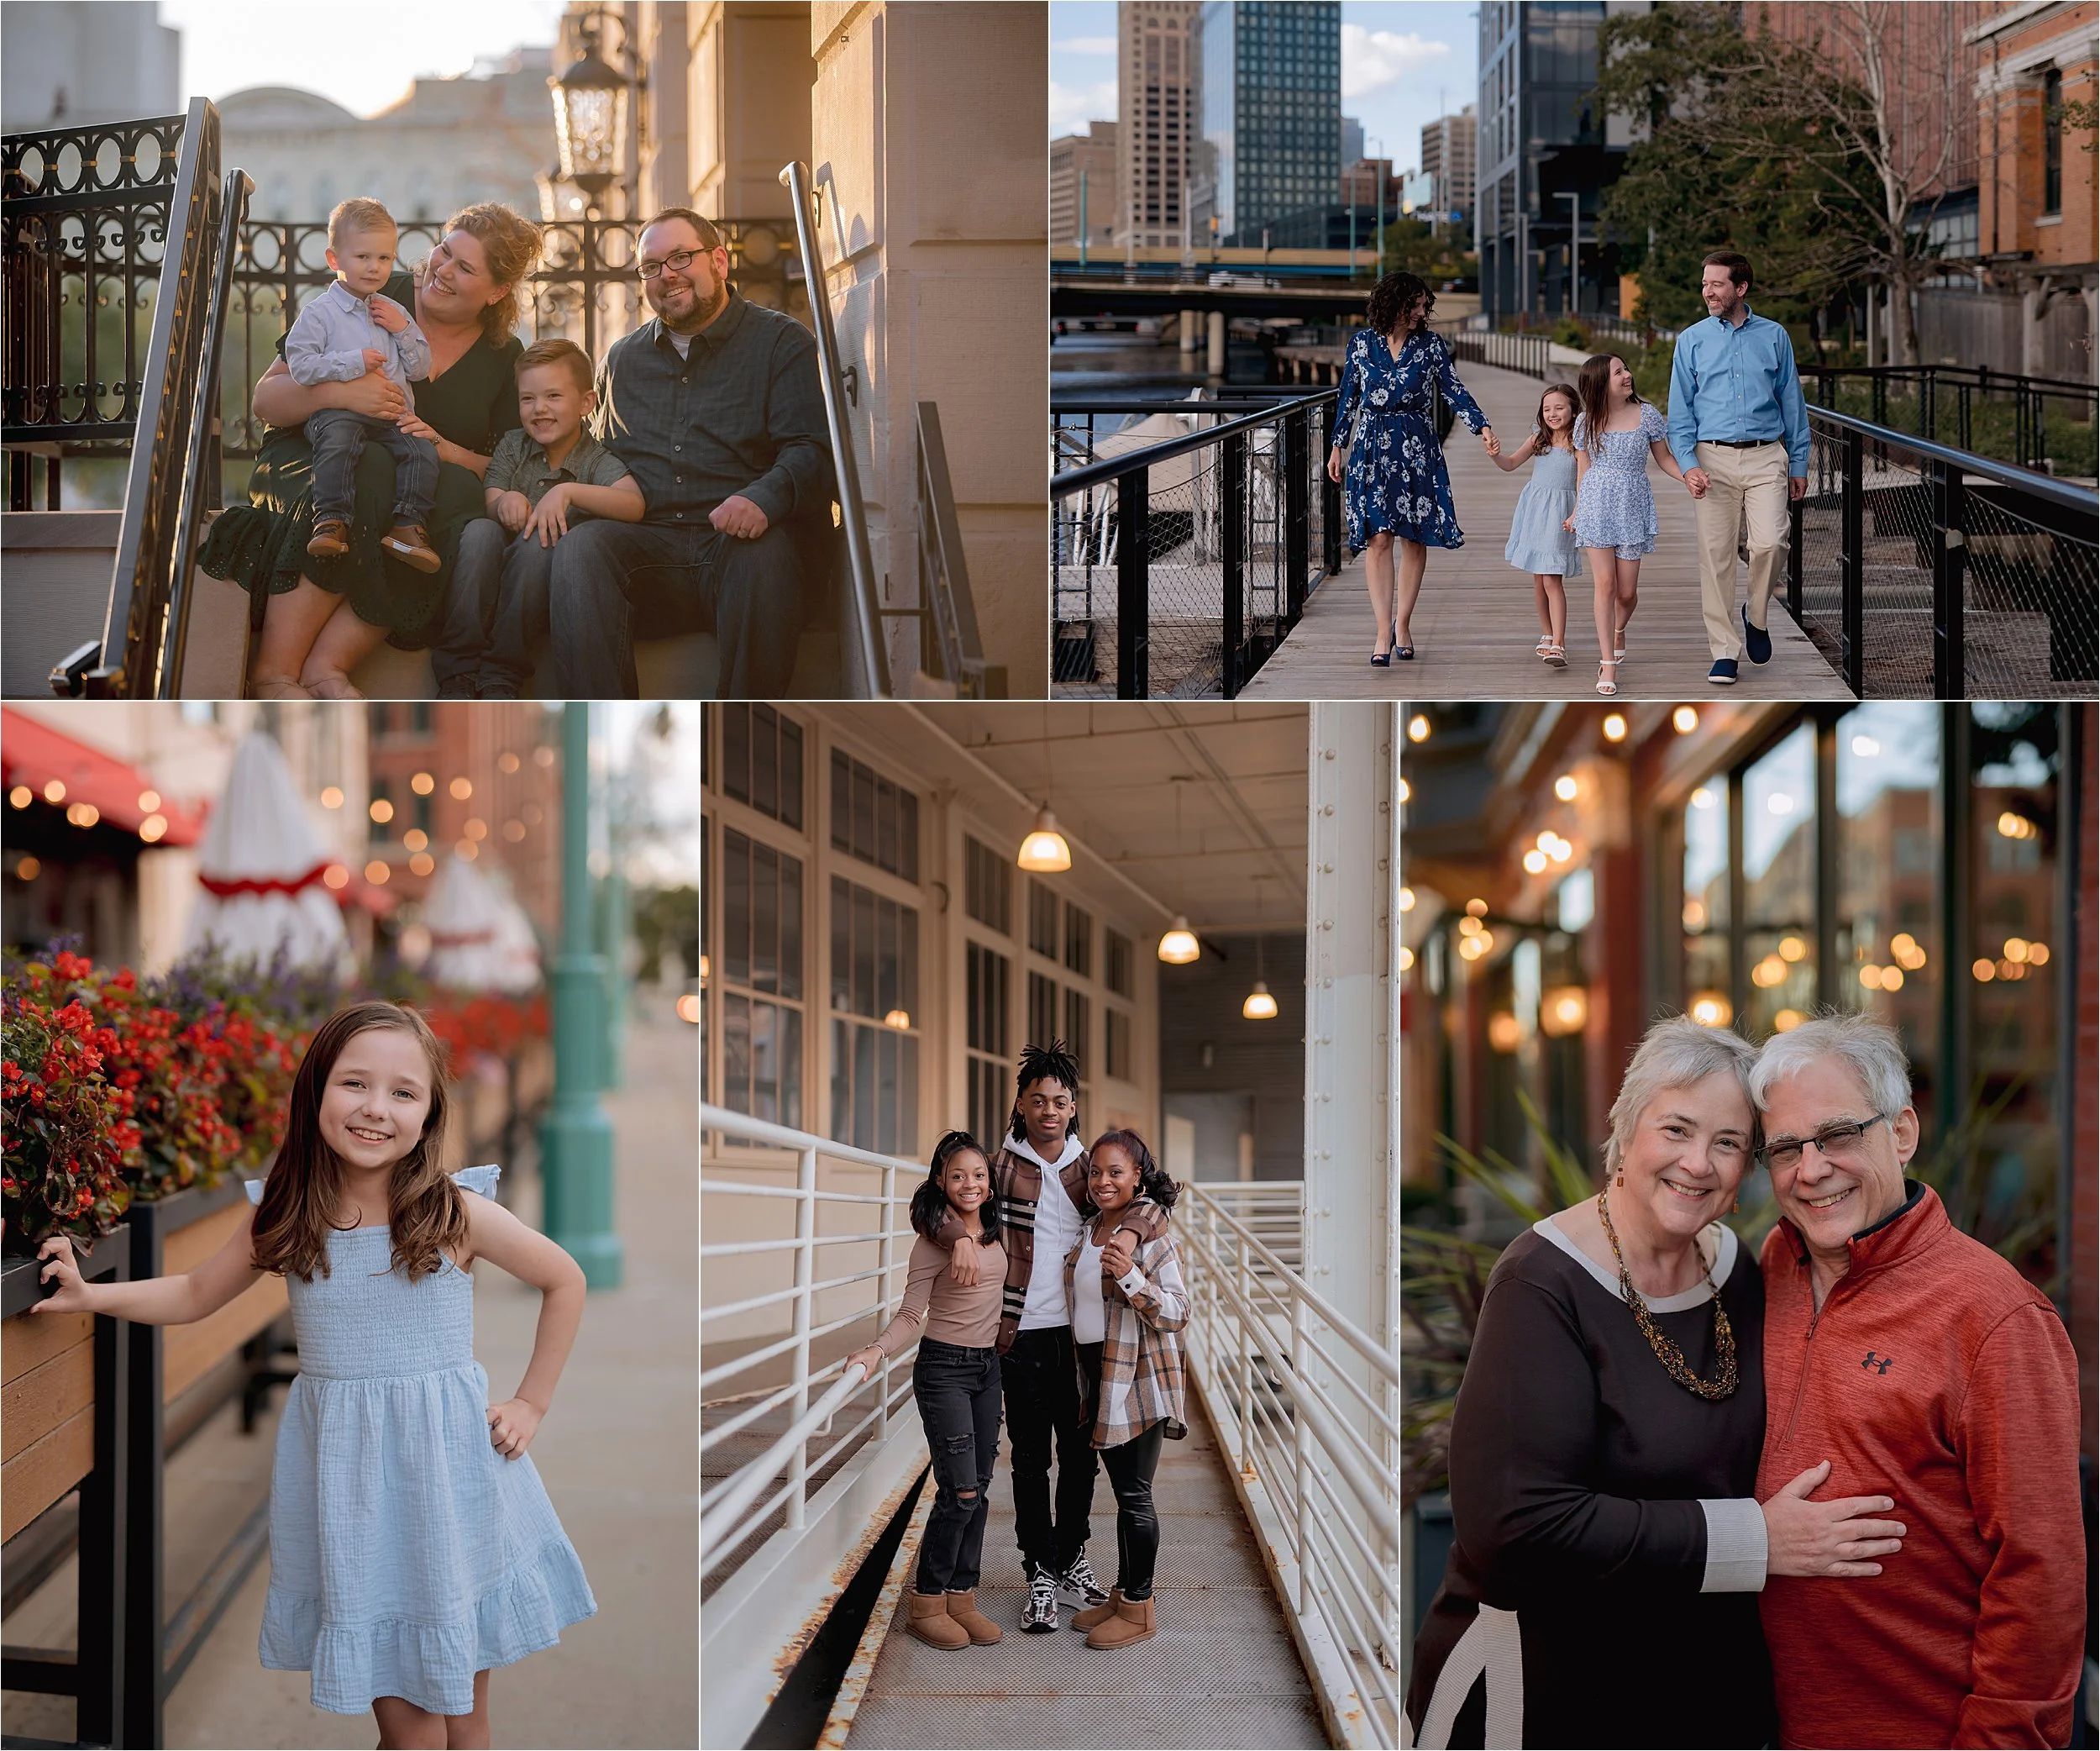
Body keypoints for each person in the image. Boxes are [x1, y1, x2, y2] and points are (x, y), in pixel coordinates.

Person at [34, 1002, 595, 1748]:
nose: (375, 1108)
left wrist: (531, 1401)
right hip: (362, 1501)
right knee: (414, 1732)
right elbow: (197, 1292)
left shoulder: (452, 1212)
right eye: (354, 1083)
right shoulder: (289, 1212)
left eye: (403, 1093)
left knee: (467, 1721)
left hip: (455, 1490)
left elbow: (566, 1280)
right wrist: (89, 1294)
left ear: (429, 1117)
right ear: (314, 1093)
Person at [1407, 1017, 1909, 1750]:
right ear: (1625, 1132)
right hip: (1547, 1698)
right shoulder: (1541, 1281)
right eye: (1676, 1129)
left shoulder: (1740, 1268)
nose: (1698, 1163)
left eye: (1730, 1142)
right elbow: (1513, 1529)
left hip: (1694, 1697)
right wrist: (1756, 1540)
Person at [1750, 1012, 2084, 1749]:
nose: (1811, 1170)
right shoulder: (1764, 1273)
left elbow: (2040, 1577)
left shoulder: (1993, 1315)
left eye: (1838, 1135)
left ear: (1901, 1133)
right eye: (1784, 1148)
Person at [206, 204, 543, 699]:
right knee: (372, 470)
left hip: (414, 474)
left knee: (452, 501)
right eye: (444, 252)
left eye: (465, 268)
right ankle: (275, 671)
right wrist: (338, 394)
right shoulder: (372, 289)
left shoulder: (503, 357)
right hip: (315, 456)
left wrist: (446, 449)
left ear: (497, 292)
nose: (442, 271)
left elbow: (508, 467)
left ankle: (327, 667)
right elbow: (266, 400)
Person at [912, 1040, 1165, 1633]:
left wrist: (1127, 1236)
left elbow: (1153, 1197)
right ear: (1021, 1106)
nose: (1049, 1110)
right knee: (1028, 1461)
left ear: (1073, 1107)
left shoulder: (1091, 1168)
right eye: (1037, 1100)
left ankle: (1071, 1556)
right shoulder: (998, 1168)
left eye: (1059, 1101)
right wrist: (962, 1239)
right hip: (1019, 1337)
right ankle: (1040, 1573)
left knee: (1081, 1459)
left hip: (1081, 1339)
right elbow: (929, 1201)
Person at [548, 208, 832, 699]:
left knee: (762, 553)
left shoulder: (780, 342)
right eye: (652, 267)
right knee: (582, 548)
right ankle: (604, 734)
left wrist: (763, 499)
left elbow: (813, 450)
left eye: (681, 258)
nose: (667, 275)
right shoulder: (623, 359)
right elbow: (594, 453)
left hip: (744, 555)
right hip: (652, 559)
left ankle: (742, 734)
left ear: (719, 261)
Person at [843, 1131, 1009, 1652]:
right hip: (945, 1372)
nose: (970, 1184)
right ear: (941, 1180)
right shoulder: (933, 1239)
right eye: (958, 1175)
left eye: (978, 1175)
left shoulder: (997, 1229)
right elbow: (913, 1313)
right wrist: (875, 1351)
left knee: (979, 1489)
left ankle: (963, 1597)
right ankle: (927, 1602)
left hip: (988, 1370)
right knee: (959, 1491)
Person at [431, 339, 645, 699]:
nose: (539, 409)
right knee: (481, 531)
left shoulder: (595, 459)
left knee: (541, 542)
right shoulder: (513, 445)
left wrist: (570, 492)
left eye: (554, 397)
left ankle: (501, 673)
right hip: (490, 572)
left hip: (536, 591)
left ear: (586, 403)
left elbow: (633, 504)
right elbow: (490, 498)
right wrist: (504, 502)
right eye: (528, 399)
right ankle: (459, 671)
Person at [1325, 270, 1499, 665]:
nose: (1422, 311)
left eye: (1425, 304)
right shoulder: (1361, 345)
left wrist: (1482, 427)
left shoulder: (1430, 345)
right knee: (1379, 539)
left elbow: (1454, 389)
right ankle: (1382, 630)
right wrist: (1337, 446)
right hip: (1371, 446)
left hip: (1417, 444)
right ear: (1394, 304)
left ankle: (1403, 623)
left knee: (1414, 538)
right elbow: (1347, 397)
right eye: (1415, 304)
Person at [1062, 1129, 1189, 1651]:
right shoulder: (1089, 1229)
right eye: (1096, 1172)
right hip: (1097, 1377)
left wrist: (1134, 1278)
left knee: (1135, 1495)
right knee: (1120, 1492)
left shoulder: (1154, 1239)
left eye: (1116, 1172)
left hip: (1139, 1377)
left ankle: (1139, 1607)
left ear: (1138, 1177)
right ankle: (1121, 1595)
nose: (1103, 1181)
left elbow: (1179, 1312)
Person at [1664, 251, 1811, 686]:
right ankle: (1724, 651)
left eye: (1717, 285)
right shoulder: (1691, 340)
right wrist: (1688, 465)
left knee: (1770, 542)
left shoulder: (1774, 336)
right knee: (1717, 559)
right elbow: (1680, 413)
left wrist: (1799, 461)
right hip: (1711, 459)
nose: (1707, 292)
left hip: (1767, 456)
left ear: (1740, 289)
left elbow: (1793, 404)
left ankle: (1757, 613)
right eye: (1705, 284)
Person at [283, 197, 441, 576]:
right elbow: (301, 368)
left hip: (390, 414)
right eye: (363, 257)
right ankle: (332, 521)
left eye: (385, 258)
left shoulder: (392, 311)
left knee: (423, 452)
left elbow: (420, 370)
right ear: (334, 259)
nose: (375, 267)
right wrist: (352, 362)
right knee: (338, 442)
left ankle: (407, 526)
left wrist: (402, 330)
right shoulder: (319, 313)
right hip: (339, 412)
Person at [1571, 351, 1694, 697]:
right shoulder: (1585, 422)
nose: (1627, 375)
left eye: (1625, 369)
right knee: (1605, 584)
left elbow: (1665, 458)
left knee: (1626, 593)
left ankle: (1619, 627)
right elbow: (1583, 470)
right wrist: (1577, 511)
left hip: (1632, 504)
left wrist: (1688, 478)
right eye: (1617, 373)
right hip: (1596, 504)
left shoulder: (1648, 415)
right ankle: (1607, 662)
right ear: (1600, 384)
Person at [1490, 381, 1582, 668]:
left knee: (1552, 578)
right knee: (1538, 578)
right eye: (1547, 409)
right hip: (1535, 511)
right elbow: (1510, 464)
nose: (1553, 414)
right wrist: (1495, 455)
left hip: (1561, 515)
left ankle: (1559, 643)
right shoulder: (1538, 439)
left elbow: (1584, 481)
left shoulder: (1579, 443)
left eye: (1559, 408)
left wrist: (1577, 513)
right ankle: (1547, 632)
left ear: (1573, 410)